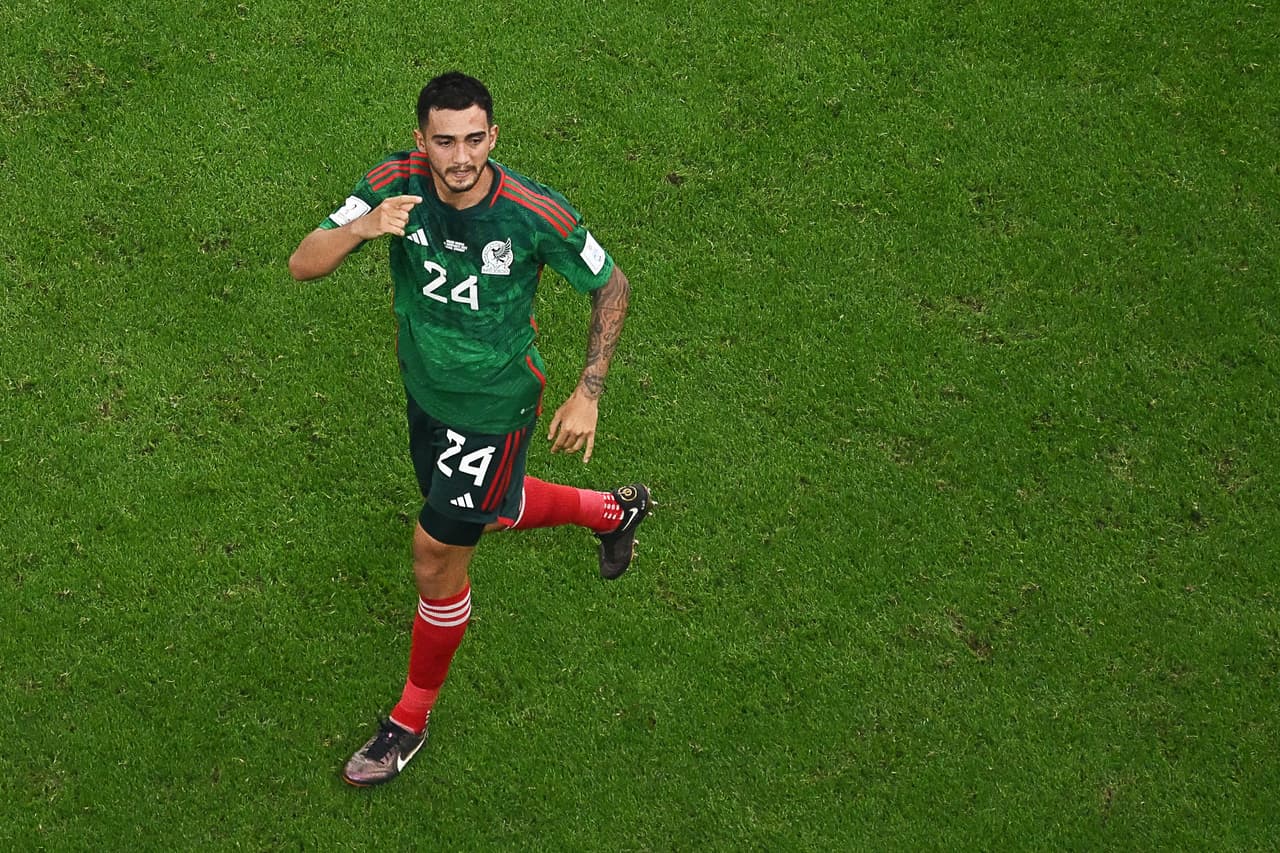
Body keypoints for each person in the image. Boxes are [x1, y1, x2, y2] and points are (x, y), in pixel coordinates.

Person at [288, 71, 651, 787]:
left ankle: (409, 721)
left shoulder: (533, 213)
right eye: (445, 141)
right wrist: (362, 227)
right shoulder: (393, 184)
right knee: (485, 507)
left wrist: (589, 391)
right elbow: (304, 264)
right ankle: (615, 511)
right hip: (425, 391)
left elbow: (612, 284)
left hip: (494, 405)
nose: (461, 158)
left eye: (475, 140)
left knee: (435, 554)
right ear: (421, 139)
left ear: (494, 136)